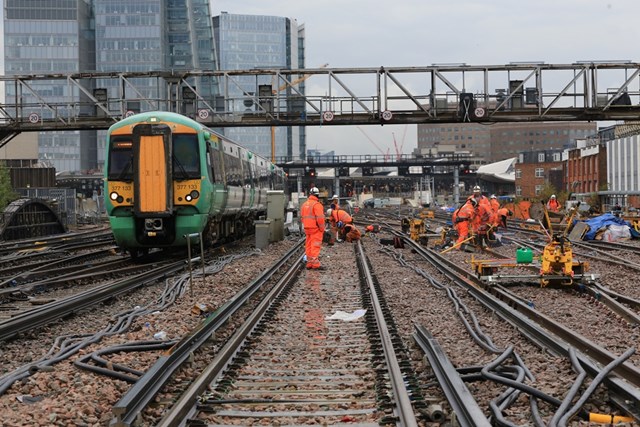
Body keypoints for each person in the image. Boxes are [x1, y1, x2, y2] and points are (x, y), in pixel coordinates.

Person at [300, 187, 325, 269]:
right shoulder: (317, 205)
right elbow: (320, 218)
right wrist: (322, 229)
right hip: (315, 229)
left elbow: (302, 217)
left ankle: (309, 263)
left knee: (309, 245)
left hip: (307, 228)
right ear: (317, 195)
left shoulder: (304, 204)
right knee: (315, 245)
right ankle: (315, 264)